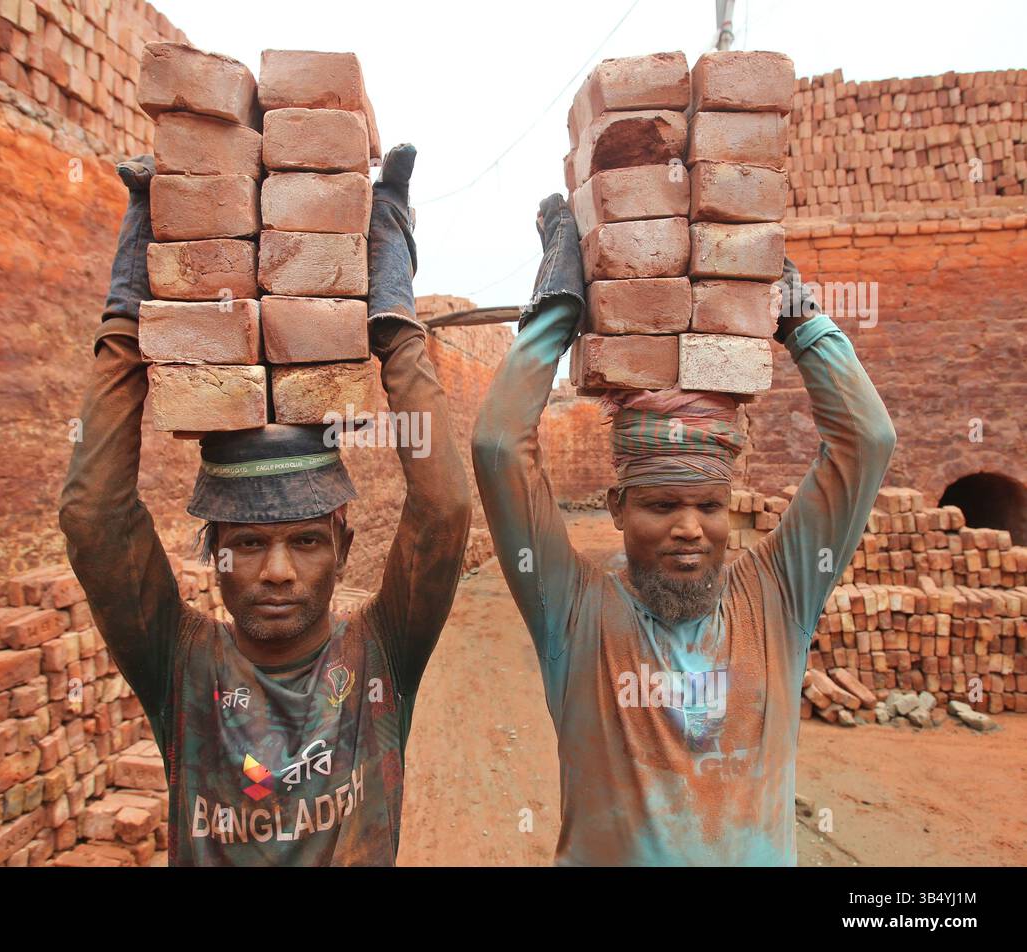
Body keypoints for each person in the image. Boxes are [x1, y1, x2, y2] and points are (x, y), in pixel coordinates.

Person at [59, 145, 471, 865]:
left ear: (343, 547)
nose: (277, 572)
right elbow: (94, 515)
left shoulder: (380, 653)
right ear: (213, 552)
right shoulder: (180, 666)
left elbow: (442, 510)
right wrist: (131, 310)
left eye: (305, 541)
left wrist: (392, 318)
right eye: (248, 543)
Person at [470, 194, 897, 865]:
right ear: (617, 508)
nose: (690, 529)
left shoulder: (777, 599)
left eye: (709, 507)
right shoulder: (574, 614)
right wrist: (559, 307)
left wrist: (796, 314)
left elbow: (867, 442)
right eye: (662, 506)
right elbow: (499, 447)